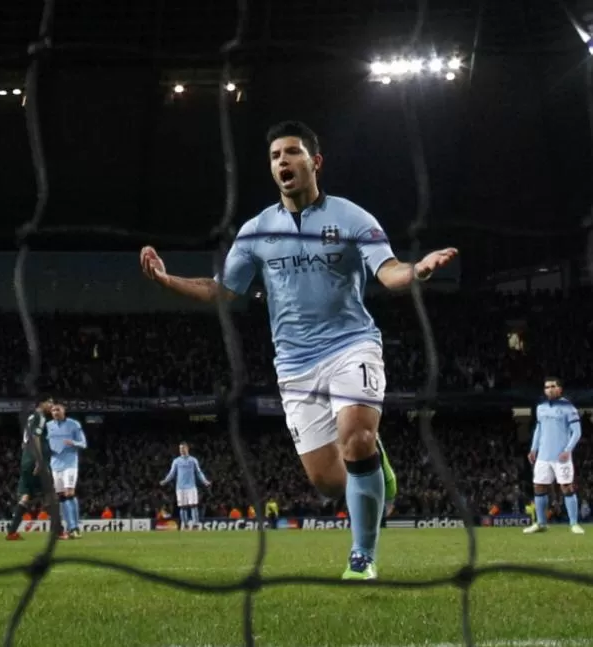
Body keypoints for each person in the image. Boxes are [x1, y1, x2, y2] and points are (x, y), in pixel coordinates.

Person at [139, 120, 458, 579]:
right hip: (293, 365)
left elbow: (388, 273)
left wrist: (420, 269)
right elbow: (226, 291)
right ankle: (376, 467)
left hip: (352, 346)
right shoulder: (255, 231)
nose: (282, 162)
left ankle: (362, 555)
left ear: (315, 161)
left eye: (292, 153)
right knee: (328, 483)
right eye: (275, 156)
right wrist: (167, 281)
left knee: (356, 439)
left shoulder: (351, 218)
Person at [524, 377, 584, 535]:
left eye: (552, 386)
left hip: (561, 456)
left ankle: (573, 524)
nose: (549, 389)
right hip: (543, 456)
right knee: (538, 487)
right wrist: (533, 449)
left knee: (566, 487)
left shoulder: (568, 407)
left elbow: (577, 432)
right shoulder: (541, 407)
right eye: (546, 387)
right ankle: (541, 523)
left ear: (559, 389)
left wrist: (568, 450)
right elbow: (539, 429)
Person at [6, 394, 55, 541]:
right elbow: (35, 437)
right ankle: (58, 531)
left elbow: (24, 441)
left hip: (26, 459)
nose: (52, 405)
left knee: (25, 496)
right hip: (35, 460)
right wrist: (40, 461)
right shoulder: (40, 417)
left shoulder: (30, 418)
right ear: (42, 403)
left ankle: (12, 531)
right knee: (50, 492)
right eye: (50, 401)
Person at [46, 404, 88, 539]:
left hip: (70, 464)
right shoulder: (48, 426)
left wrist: (73, 443)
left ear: (64, 411)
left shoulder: (73, 424)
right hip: (55, 465)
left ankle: (74, 527)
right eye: (53, 410)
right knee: (61, 497)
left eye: (58, 409)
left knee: (69, 493)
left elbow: (84, 443)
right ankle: (69, 528)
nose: (55, 412)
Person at [160, 441, 211, 529]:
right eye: (180, 449)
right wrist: (165, 480)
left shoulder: (193, 460)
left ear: (187, 448)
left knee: (193, 505)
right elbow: (171, 473)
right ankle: (185, 525)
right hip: (180, 488)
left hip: (191, 487)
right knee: (183, 507)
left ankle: (195, 525)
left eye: (183, 448)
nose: (181, 450)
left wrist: (205, 481)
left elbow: (199, 472)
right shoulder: (176, 461)